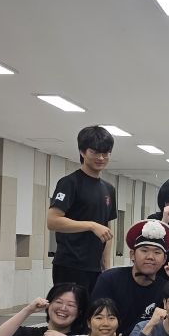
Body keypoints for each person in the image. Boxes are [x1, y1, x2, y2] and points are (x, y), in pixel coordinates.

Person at [46, 125, 117, 292]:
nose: (101, 158)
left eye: (105, 153)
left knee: (95, 308)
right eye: (95, 152)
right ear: (82, 152)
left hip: (95, 268)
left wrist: (106, 266)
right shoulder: (69, 183)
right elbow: (53, 221)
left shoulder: (109, 189)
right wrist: (91, 225)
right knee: (70, 308)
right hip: (70, 265)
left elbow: (106, 231)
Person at [90, 219, 169, 336]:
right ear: (132, 255)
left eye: (157, 252)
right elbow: (95, 319)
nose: (150, 257)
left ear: (164, 260)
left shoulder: (166, 289)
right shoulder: (109, 279)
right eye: (144, 250)